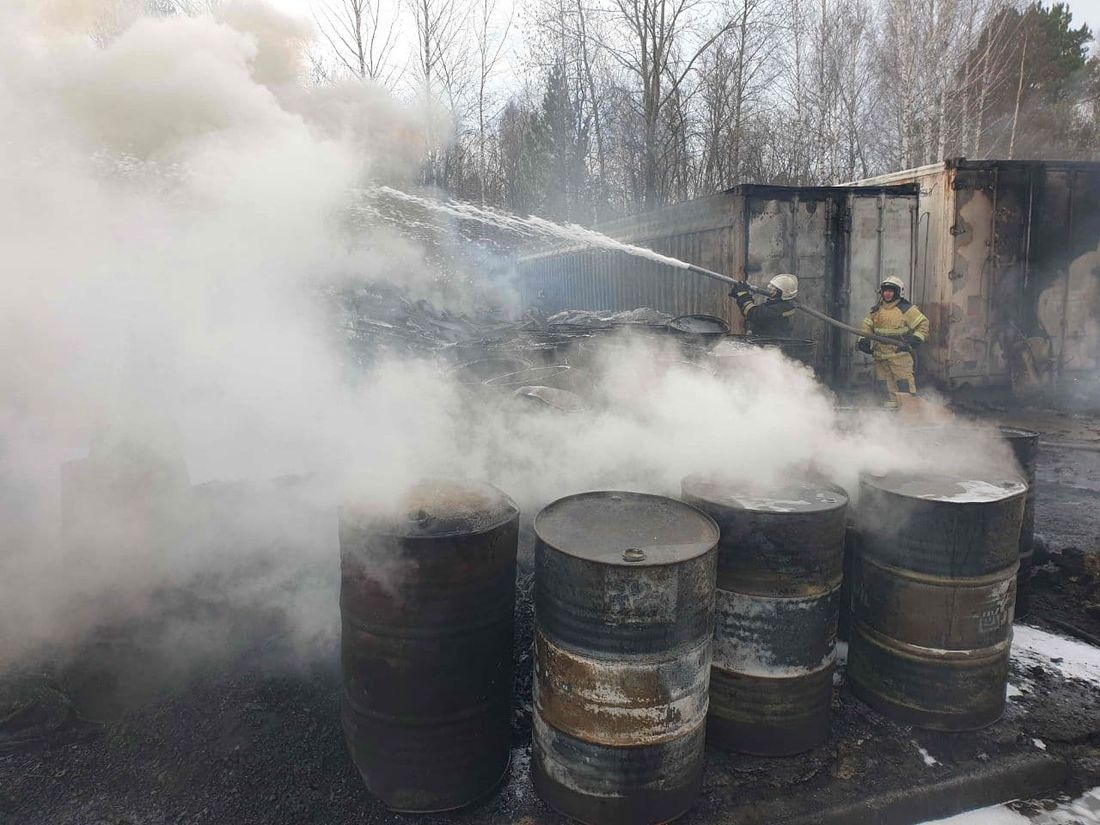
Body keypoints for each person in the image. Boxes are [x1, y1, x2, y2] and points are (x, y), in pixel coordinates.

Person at [857, 276, 929, 408]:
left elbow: (923, 324)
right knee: (885, 385)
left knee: (904, 384)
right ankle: (890, 418)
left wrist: (915, 339)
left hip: (899, 355)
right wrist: (863, 340)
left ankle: (909, 412)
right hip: (881, 356)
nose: (887, 293)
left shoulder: (906, 309)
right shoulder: (876, 310)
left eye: (891, 291)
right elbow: (867, 326)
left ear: (898, 292)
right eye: (885, 291)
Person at [729, 273, 798, 337]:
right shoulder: (778, 304)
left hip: (770, 346)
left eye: (774, 287)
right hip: (764, 342)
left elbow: (753, 313)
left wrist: (743, 295)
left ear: (782, 292)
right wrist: (740, 296)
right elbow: (752, 312)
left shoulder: (782, 308)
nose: (769, 287)